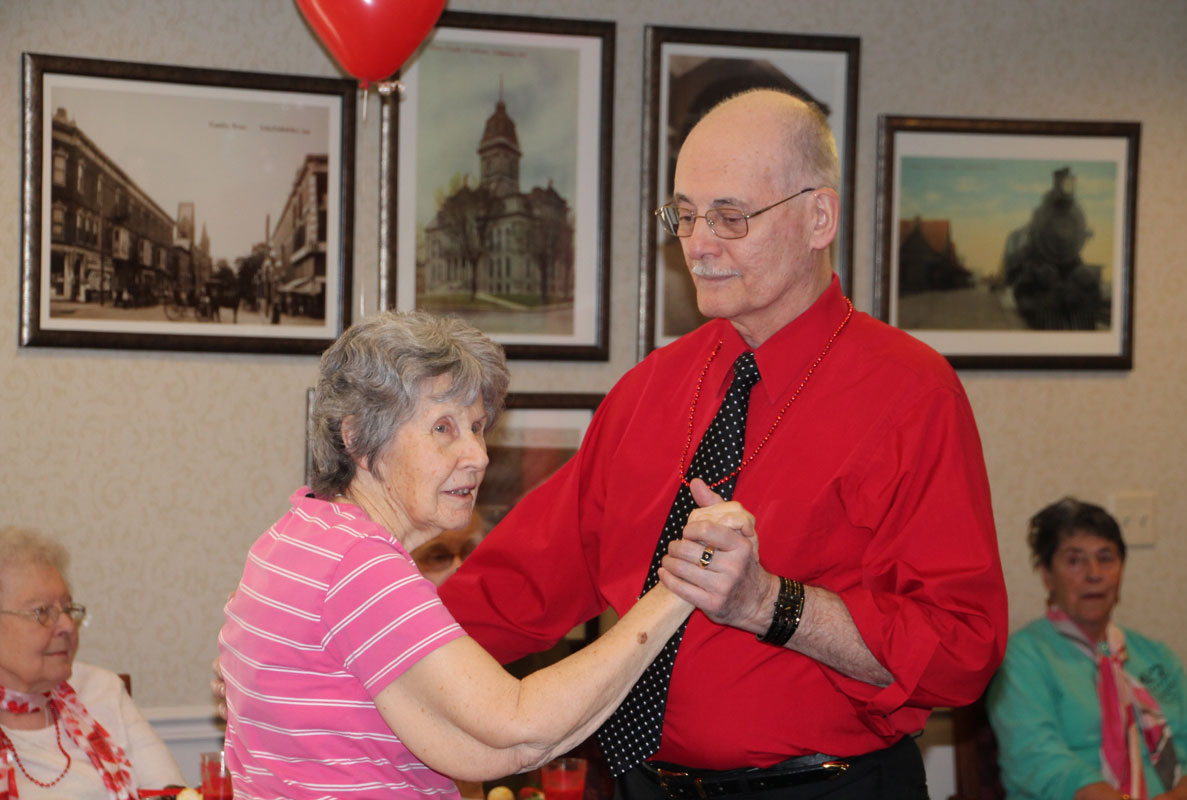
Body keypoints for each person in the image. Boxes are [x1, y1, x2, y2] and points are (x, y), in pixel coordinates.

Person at [437, 88, 1008, 799]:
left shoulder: (912, 394)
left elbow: (962, 653)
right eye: (684, 215)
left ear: (818, 217)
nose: (698, 245)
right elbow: (519, 584)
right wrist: (363, 648)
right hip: (641, 784)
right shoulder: (648, 390)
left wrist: (774, 604)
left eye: (731, 217)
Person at [218, 311, 694, 799]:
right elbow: (520, 726)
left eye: (477, 426)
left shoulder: (294, 535)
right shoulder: (360, 565)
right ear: (358, 437)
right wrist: (678, 588)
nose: (478, 455)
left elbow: (483, 752)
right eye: (443, 428)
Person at [987, 498, 1187, 800]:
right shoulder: (1022, 657)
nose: (1094, 573)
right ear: (1047, 575)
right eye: (1075, 560)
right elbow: (1034, 755)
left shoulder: (1155, 655)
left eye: (1106, 558)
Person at [0, 526, 185, 798]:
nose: (66, 626)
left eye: (67, 609)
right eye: (42, 611)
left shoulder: (102, 690)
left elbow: (171, 793)